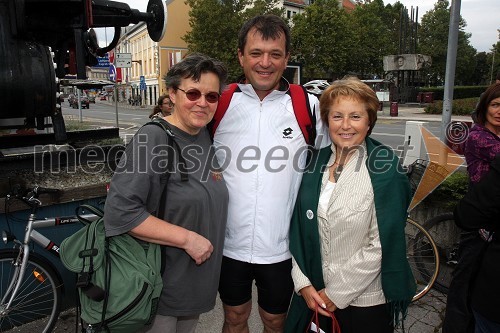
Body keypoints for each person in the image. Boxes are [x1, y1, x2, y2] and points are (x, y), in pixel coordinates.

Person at [212, 14, 330, 332]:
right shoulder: (218, 103)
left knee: (274, 321)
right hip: (228, 246)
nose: (265, 63)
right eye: (256, 53)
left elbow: (346, 150)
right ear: (241, 56)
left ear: (287, 58)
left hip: (281, 248)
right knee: (234, 318)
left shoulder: (309, 106)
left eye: (275, 54)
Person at [104, 53, 229, 333]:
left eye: (211, 96)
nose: (202, 103)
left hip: (193, 287)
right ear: (172, 93)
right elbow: (121, 211)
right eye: (193, 93)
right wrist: (187, 239)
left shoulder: (204, 136)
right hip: (158, 289)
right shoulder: (154, 137)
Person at [285, 78, 416, 333]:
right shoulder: (314, 164)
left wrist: (335, 293)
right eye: (337, 116)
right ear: (327, 120)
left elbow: (380, 244)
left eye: (355, 116)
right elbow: (297, 229)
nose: (345, 126)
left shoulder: (386, 170)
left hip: (364, 303)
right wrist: (303, 284)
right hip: (314, 294)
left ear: (369, 122)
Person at [443, 82, 500, 333]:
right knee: (465, 284)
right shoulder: (479, 136)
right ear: (484, 108)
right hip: (479, 221)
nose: (499, 111)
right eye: (495, 105)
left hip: (491, 220)